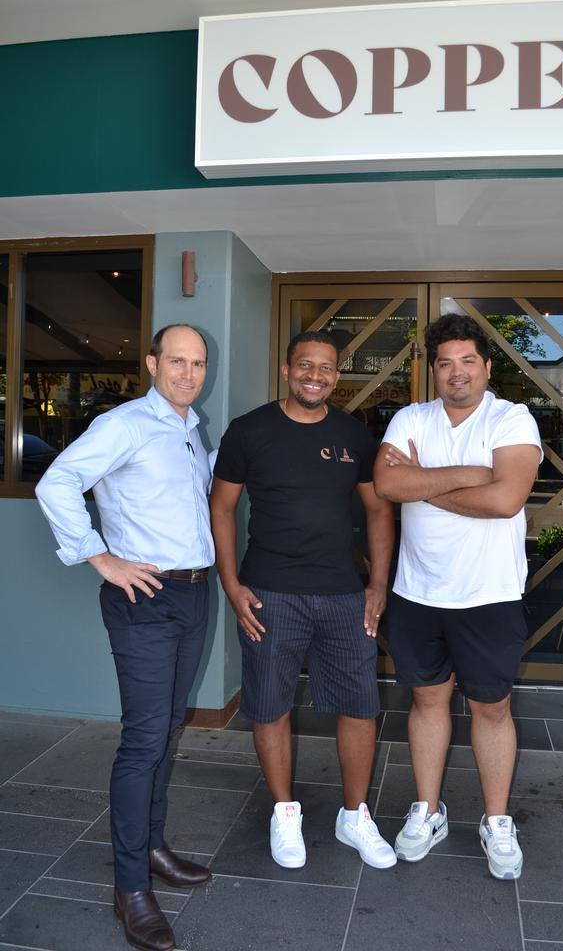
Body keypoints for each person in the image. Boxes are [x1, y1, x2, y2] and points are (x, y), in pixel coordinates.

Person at [36, 324, 214, 951]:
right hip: (145, 597)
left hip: (194, 593)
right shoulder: (126, 424)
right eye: (177, 361)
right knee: (143, 740)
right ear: (151, 363)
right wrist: (100, 558)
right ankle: (131, 887)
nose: (188, 373)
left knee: (167, 729)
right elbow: (55, 481)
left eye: (198, 363)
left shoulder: (191, 430)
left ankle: (154, 846)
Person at [210, 330, 396, 871]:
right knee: (269, 704)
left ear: (338, 376)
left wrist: (378, 585)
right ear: (287, 369)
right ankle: (284, 811)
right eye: (305, 366)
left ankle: (354, 815)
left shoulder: (355, 436)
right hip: (268, 591)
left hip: (343, 595)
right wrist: (231, 583)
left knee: (359, 706)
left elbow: (380, 512)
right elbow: (221, 509)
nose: (316, 376)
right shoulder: (249, 431)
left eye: (327, 368)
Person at [373, 313, 542, 880]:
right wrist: (469, 474)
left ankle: (496, 819)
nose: (457, 372)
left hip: (488, 594)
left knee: (492, 708)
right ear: (433, 371)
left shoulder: (511, 417)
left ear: (487, 367)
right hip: (418, 591)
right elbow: (389, 485)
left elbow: (505, 500)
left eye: (468, 360)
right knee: (426, 702)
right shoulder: (410, 417)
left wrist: (429, 484)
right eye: (446, 362)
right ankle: (429, 808)